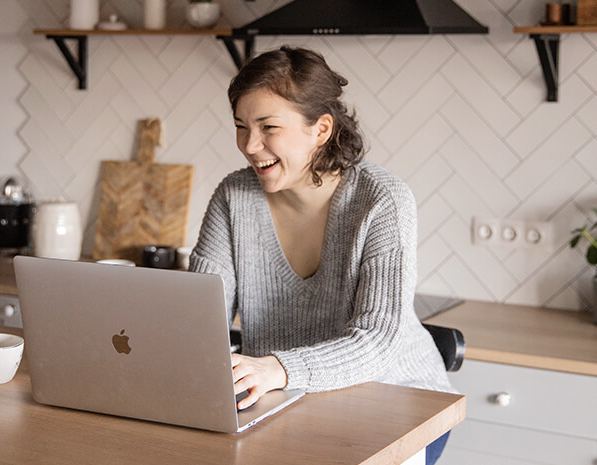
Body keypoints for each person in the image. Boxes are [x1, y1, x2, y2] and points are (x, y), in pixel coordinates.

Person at [188, 46, 455, 464]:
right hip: (284, 402)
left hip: (399, 403)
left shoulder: (381, 201)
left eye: (268, 127)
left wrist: (276, 368)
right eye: (241, 126)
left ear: (322, 128)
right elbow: (198, 321)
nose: (250, 145)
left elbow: (377, 341)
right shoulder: (232, 196)